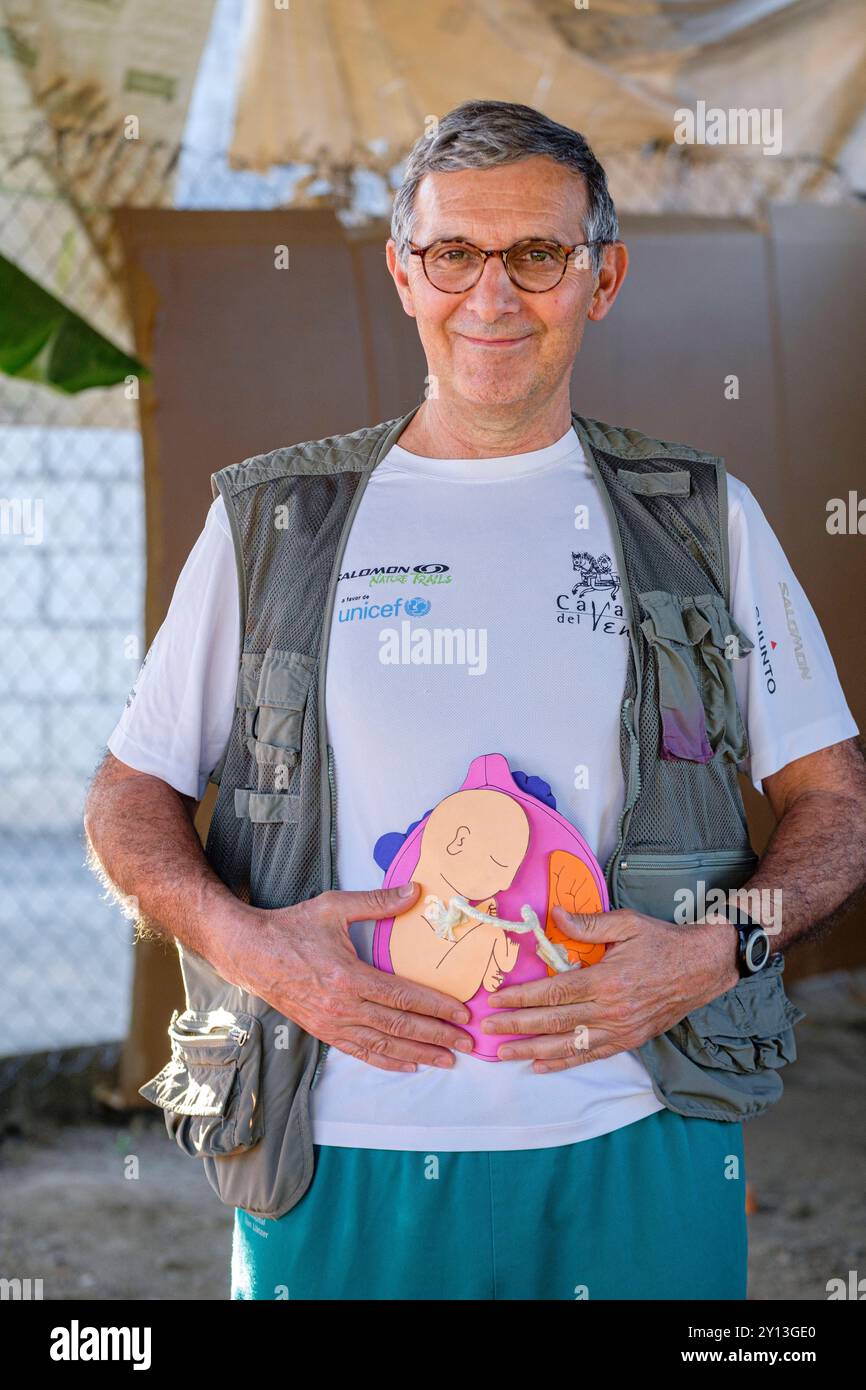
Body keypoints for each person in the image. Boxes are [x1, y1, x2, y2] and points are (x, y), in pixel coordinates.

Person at [84, 100, 866, 1300]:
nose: (490, 295)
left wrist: (716, 950)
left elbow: (833, 805)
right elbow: (127, 800)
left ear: (600, 277)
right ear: (404, 271)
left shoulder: (701, 522)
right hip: (334, 1148)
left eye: (537, 255)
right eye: (452, 253)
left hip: (640, 1133)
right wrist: (259, 953)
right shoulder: (275, 525)